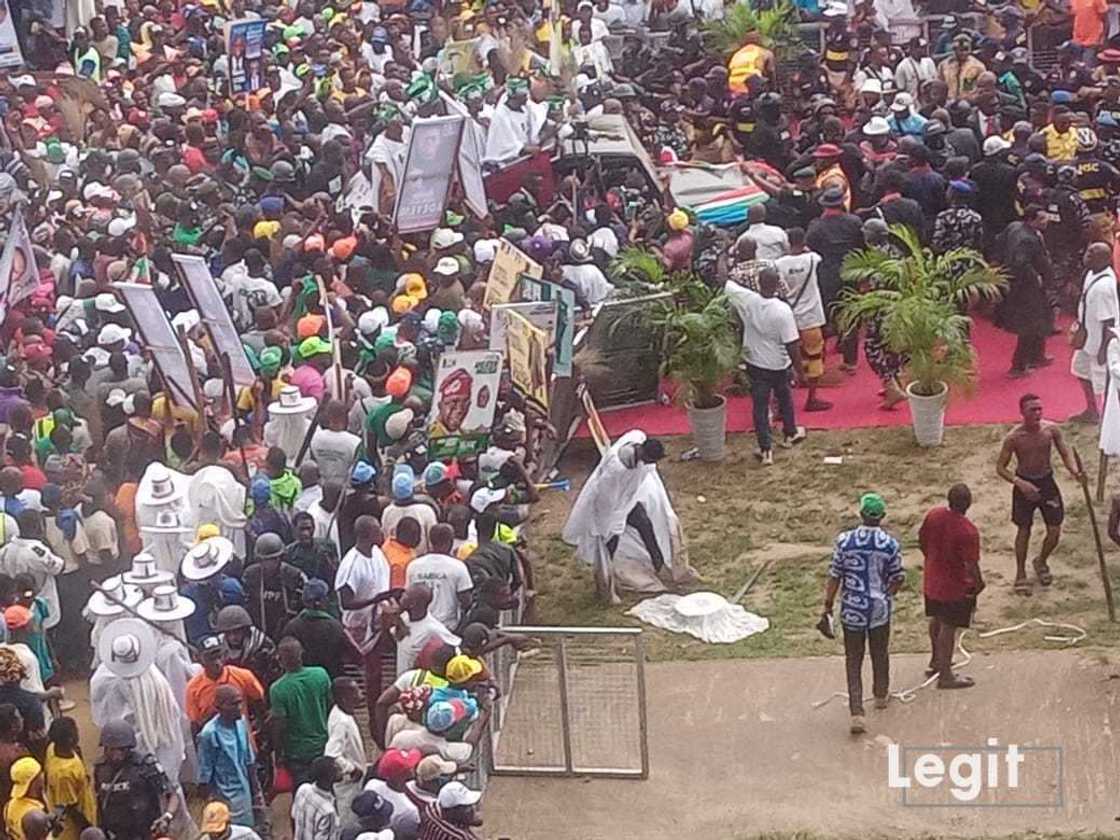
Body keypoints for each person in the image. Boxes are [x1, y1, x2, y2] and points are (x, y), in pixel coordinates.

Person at [820, 492, 904, 735]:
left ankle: (857, 712)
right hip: (879, 609)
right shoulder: (890, 544)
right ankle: (880, 694)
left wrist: (827, 605)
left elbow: (835, 575)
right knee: (880, 653)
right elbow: (898, 577)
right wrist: (888, 594)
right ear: (882, 517)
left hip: (852, 609)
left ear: (861, 514)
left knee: (853, 659)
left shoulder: (845, 541)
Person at [996, 393, 1082, 593]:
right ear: (1022, 412)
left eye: (1039, 409)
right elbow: (1000, 468)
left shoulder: (1050, 430)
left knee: (1054, 529)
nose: (1037, 413)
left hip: (1046, 483)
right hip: (1024, 484)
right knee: (1024, 530)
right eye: (1032, 410)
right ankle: (1020, 573)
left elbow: (1064, 452)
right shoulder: (1014, 438)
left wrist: (1074, 471)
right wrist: (1020, 483)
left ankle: (1041, 561)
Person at [724, 262, 807, 464]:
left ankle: (765, 449)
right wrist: (800, 370)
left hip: (755, 365)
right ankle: (790, 433)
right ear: (777, 283)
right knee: (784, 398)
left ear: (759, 283)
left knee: (760, 407)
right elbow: (792, 344)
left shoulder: (748, 300)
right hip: (779, 365)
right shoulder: (782, 311)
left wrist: (722, 255)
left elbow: (724, 282)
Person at [919, 484, 983, 690]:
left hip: (932, 578)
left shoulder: (934, 515)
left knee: (935, 619)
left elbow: (921, 540)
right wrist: (979, 583)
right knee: (949, 626)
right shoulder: (968, 531)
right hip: (953, 585)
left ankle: (936, 661)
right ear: (968, 503)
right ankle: (945, 676)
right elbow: (971, 564)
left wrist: (932, 560)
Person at [93, 720, 178, 840]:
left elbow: (172, 794)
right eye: (112, 749)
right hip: (116, 834)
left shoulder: (146, 765)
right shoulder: (100, 769)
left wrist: (167, 817)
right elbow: (99, 801)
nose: (116, 755)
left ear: (129, 748)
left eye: (121, 749)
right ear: (105, 748)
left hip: (145, 833)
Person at [270, 636, 332, 789]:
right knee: (327, 791)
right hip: (323, 745)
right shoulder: (321, 674)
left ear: (280, 659)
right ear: (301, 654)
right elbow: (330, 705)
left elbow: (280, 724)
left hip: (297, 753)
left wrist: (278, 753)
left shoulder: (278, 689)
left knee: (302, 796)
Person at [196, 685, 258, 830]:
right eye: (233, 704)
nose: (239, 707)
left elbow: (249, 761)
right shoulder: (209, 734)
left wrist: (256, 794)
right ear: (219, 707)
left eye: (240, 702)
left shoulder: (241, 722)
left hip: (245, 793)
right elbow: (205, 774)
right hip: (225, 798)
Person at [1069, 243, 1119, 424]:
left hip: (1099, 343)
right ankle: (1091, 410)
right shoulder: (1092, 274)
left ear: (1104, 259)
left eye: (1092, 254)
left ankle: (1109, 418)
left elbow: (1109, 321)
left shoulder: (1104, 287)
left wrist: (1103, 351)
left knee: (1104, 382)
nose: (1086, 256)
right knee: (1080, 371)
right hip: (1087, 340)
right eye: (1088, 251)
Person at [406, 525, 474, 629]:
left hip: (420, 626)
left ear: (431, 540)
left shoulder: (414, 566)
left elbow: (408, 597)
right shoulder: (458, 566)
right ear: (451, 541)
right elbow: (466, 601)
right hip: (448, 627)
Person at [44, 717, 97, 840]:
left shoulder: (53, 748)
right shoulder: (63, 774)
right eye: (75, 731)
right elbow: (70, 808)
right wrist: (88, 829)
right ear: (70, 739)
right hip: (72, 830)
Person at [324, 677, 366, 821]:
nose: (361, 694)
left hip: (354, 780)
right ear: (344, 698)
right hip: (349, 784)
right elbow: (331, 754)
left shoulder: (342, 713)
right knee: (348, 819)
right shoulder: (341, 722)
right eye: (355, 691)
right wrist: (352, 769)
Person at [291, 756, 341, 840]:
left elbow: (293, 816)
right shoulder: (328, 812)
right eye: (336, 768)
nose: (341, 770)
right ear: (329, 776)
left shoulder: (303, 789)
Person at [417, 781, 484, 840]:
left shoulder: (431, 809)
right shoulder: (461, 837)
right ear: (454, 812)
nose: (474, 809)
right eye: (467, 808)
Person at [4, 756, 46, 840]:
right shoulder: (35, 817)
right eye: (40, 773)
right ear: (34, 780)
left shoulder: (9, 805)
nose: (43, 776)